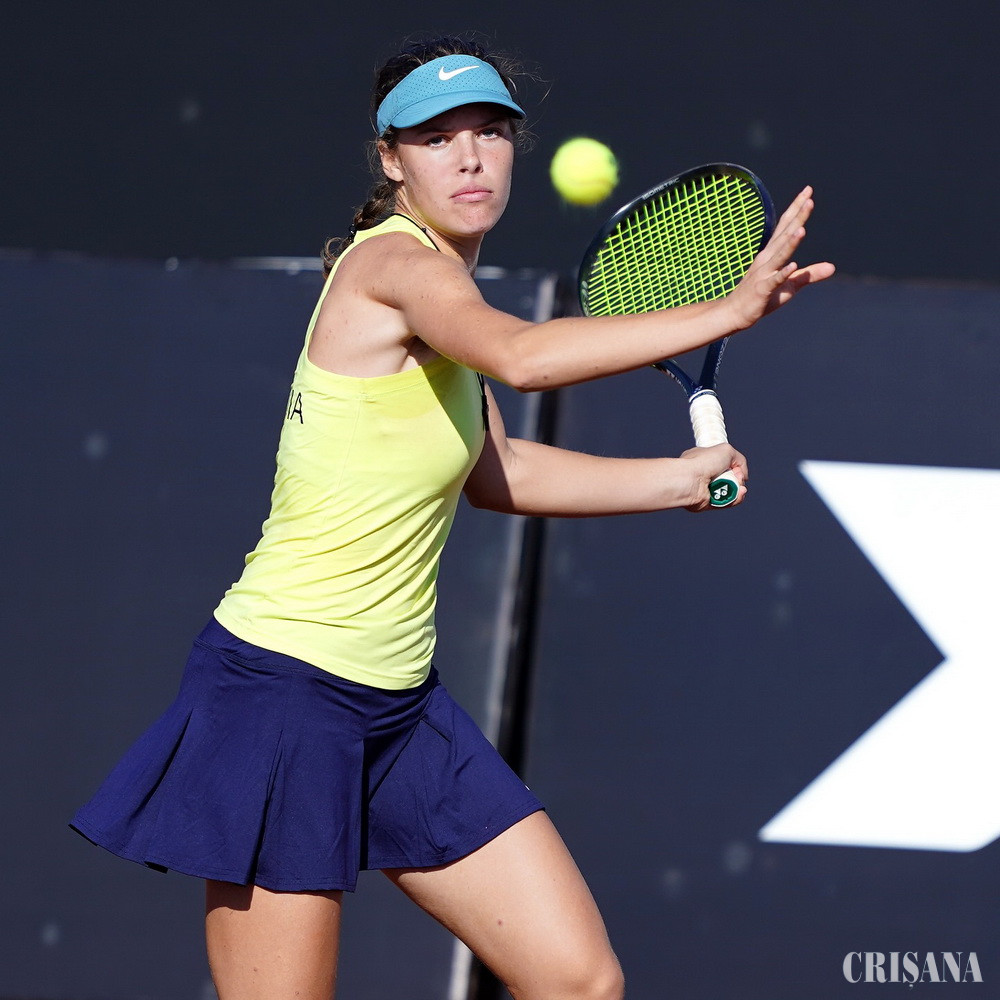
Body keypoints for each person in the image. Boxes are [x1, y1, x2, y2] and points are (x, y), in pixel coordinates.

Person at [71, 33, 834, 1000]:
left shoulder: (444, 286)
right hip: (282, 698)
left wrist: (676, 481)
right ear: (391, 160)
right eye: (436, 139)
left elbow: (496, 471)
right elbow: (523, 357)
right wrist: (726, 311)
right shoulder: (396, 267)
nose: (470, 157)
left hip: (400, 708)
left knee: (579, 982)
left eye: (489, 131)